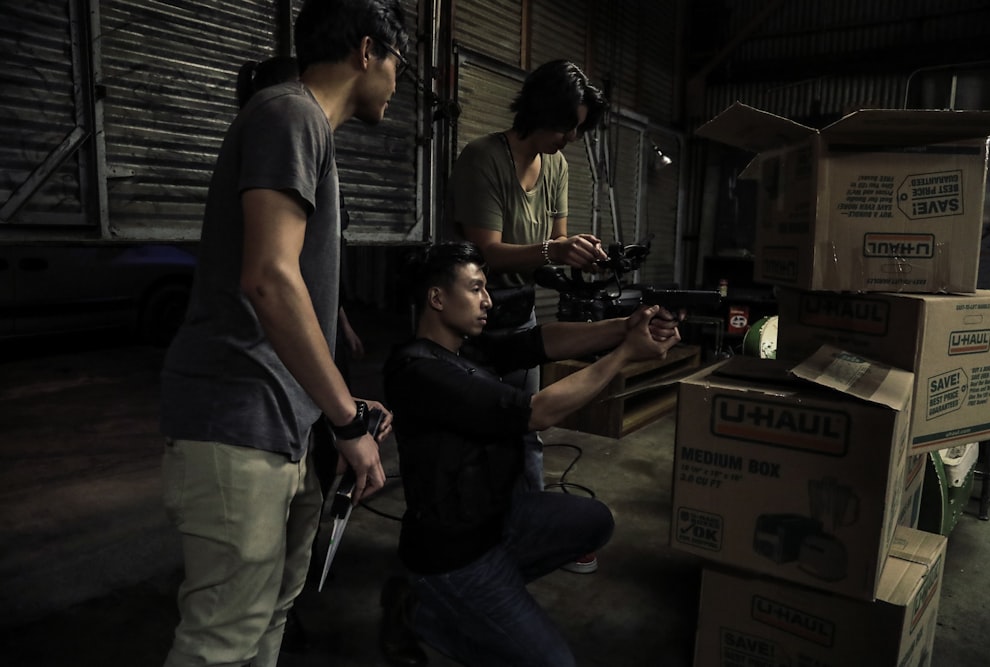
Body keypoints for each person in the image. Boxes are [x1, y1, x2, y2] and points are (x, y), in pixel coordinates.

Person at [158, 1, 409, 665]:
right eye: (397, 67)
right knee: (221, 639)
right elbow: (269, 279)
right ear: (366, 52)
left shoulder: (306, 128)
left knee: (271, 614)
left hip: (282, 422)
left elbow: (296, 289)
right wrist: (347, 421)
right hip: (237, 415)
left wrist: (339, 406)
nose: (397, 86)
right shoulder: (290, 114)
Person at [379, 241, 682, 667]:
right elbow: (536, 412)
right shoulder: (419, 370)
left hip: (497, 519)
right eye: (476, 288)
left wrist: (624, 326)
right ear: (437, 298)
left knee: (595, 521)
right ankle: (422, 612)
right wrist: (625, 355)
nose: (487, 300)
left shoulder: (465, 346)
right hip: (453, 553)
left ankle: (481, 598)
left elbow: (540, 342)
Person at [444, 60, 610, 573]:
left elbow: (550, 251)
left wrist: (579, 259)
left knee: (526, 432)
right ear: (538, 111)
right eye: (566, 126)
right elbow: (487, 254)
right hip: (465, 322)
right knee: (465, 433)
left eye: (578, 128)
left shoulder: (556, 165)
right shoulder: (482, 160)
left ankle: (533, 533)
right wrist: (555, 252)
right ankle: (458, 542)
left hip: (518, 316)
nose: (571, 137)